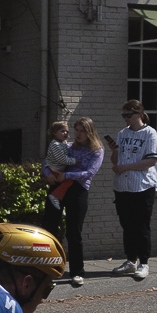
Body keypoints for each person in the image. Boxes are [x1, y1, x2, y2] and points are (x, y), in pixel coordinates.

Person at [42, 117, 104, 287]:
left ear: (89, 132)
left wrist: (67, 175)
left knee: (73, 232)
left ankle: (77, 272)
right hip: (59, 188)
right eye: (76, 130)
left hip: (78, 191)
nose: (78, 134)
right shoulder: (67, 147)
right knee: (50, 229)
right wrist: (47, 173)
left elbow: (89, 173)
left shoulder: (96, 150)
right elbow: (47, 161)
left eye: (82, 131)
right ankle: (49, 270)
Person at [107, 99, 157, 281]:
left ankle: (144, 262)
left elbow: (152, 160)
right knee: (127, 225)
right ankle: (131, 260)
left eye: (128, 115)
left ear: (138, 114)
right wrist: (114, 151)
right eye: (124, 115)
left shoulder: (150, 133)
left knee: (141, 226)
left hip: (143, 186)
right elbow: (116, 161)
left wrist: (126, 167)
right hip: (123, 186)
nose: (126, 119)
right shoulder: (122, 134)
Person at [44, 121, 77, 210]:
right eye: (62, 131)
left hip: (58, 169)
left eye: (67, 131)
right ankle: (55, 196)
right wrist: (75, 161)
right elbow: (62, 159)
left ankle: (59, 203)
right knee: (69, 181)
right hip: (54, 170)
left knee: (66, 183)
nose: (65, 133)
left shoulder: (64, 143)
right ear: (54, 133)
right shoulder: (55, 145)